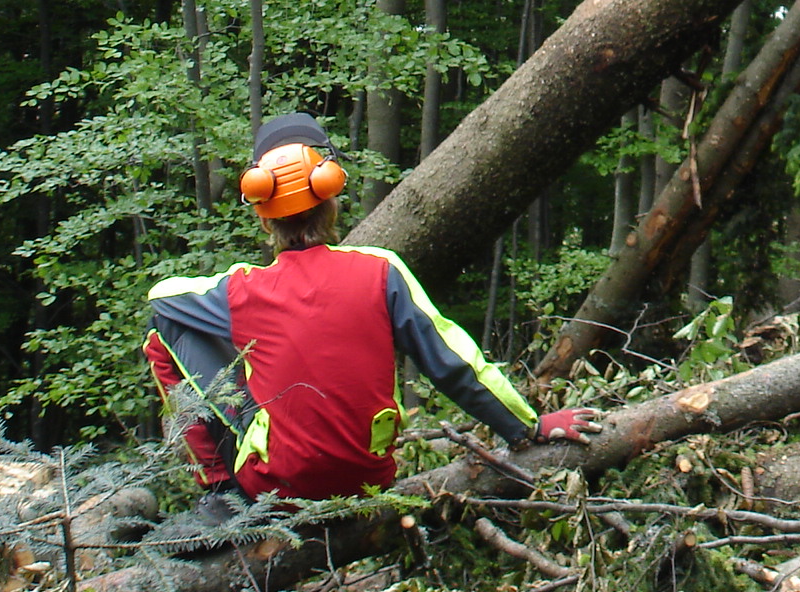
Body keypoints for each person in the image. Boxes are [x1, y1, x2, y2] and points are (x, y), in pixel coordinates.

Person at [144, 113, 598, 510]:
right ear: (331, 199)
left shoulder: (244, 290)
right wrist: (528, 427)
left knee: (161, 334)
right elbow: (455, 364)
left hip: (272, 486)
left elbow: (161, 301)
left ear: (264, 216)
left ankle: (220, 488)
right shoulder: (381, 271)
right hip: (368, 481)